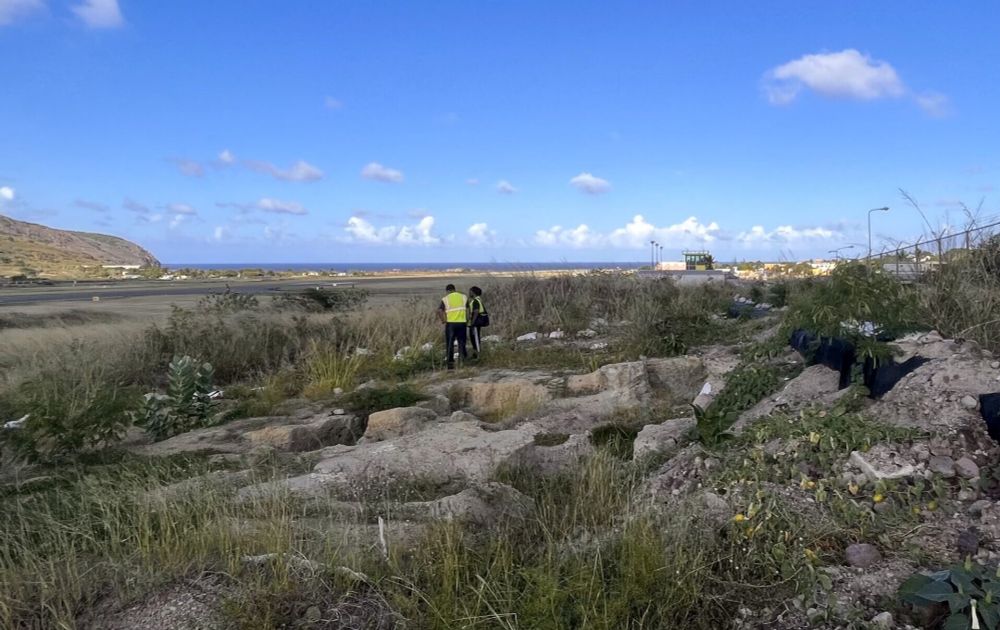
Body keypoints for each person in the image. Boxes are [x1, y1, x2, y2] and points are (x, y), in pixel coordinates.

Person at [437, 283, 467, 369]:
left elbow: (439, 311)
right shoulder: (463, 297)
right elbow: (468, 309)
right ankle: (462, 361)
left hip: (451, 324)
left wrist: (443, 320)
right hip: (462, 323)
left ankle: (450, 362)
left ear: (448, 291)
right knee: (462, 342)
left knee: (450, 343)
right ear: (454, 289)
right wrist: (467, 319)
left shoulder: (445, 299)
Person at [467, 286, 488, 359]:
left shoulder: (475, 301)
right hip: (476, 323)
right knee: (474, 338)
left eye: (470, 291)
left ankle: (478, 355)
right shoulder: (478, 300)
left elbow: (476, 312)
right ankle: (475, 354)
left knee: (475, 339)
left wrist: (472, 323)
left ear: (473, 292)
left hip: (475, 324)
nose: (469, 293)